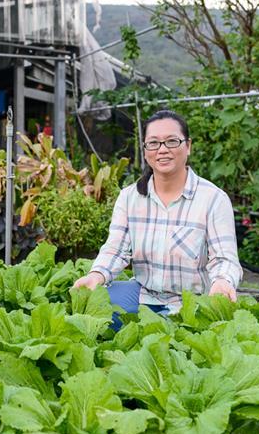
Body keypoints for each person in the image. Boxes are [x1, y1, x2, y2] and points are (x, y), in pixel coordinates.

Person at [72, 109, 242, 328]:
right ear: (145, 151)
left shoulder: (213, 199)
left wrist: (222, 281)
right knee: (95, 310)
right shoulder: (130, 197)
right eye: (153, 143)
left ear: (188, 146)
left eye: (172, 141)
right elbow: (116, 249)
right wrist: (96, 275)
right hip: (143, 295)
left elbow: (224, 258)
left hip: (192, 302)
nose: (162, 150)